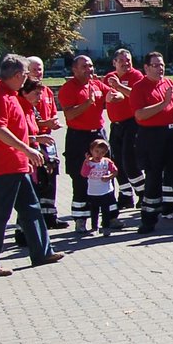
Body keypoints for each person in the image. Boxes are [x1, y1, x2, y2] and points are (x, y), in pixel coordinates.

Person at [0, 54, 65, 276]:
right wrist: (27, 149)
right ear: (17, 75)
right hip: (7, 165)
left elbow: (15, 131)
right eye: (25, 75)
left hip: (18, 163)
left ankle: (42, 252)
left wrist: (34, 141)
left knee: (31, 209)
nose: (27, 79)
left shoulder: (10, 95)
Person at [131, 52, 173, 234]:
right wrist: (164, 103)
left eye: (161, 64)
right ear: (146, 67)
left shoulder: (168, 83)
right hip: (153, 136)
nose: (160, 68)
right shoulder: (139, 87)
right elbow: (140, 115)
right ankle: (149, 219)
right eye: (155, 65)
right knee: (153, 178)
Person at [57, 54, 111, 229]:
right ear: (74, 69)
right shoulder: (68, 88)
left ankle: (109, 217)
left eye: (91, 65)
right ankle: (81, 219)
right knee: (81, 178)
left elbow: (112, 94)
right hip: (78, 137)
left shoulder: (96, 84)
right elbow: (69, 114)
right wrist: (88, 103)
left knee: (105, 174)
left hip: (98, 135)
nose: (89, 69)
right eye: (84, 66)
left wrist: (115, 95)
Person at [22, 56, 67, 229]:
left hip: (47, 140)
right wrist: (44, 124)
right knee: (36, 181)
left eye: (40, 69)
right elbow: (30, 120)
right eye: (34, 69)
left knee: (50, 178)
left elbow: (52, 113)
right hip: (32, 141)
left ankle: (50, 216)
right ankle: (35, 220)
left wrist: (52, 123)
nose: (38, 72)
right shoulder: (23, 92)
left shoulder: (46, 90)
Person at [102, 48, 145, 210]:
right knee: (117, 161)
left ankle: (143, 193)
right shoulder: (108, 77)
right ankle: (126, 196)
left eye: (128, 60)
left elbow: (135, 95)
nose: (126, 63)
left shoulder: (136, 76)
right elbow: (106, 94)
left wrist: (119, 87)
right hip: (116, 124)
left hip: (132, 123)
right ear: (114, 63)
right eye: (121, 60)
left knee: (129, 160)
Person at [80, 139, 118, 235]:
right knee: (94, 211)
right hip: (93, 192)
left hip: (105, 191)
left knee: (105, 210)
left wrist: (109, 177)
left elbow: (115, 171)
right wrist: (87, 164)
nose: (99, 154)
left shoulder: (107, 162)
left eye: (102, 152)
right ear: (91, 151)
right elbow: (84, 174)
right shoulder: (88, 162)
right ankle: (94, 227)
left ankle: (106, 227)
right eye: (96, 151)